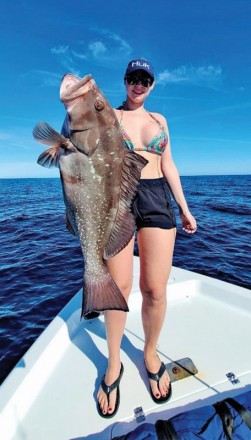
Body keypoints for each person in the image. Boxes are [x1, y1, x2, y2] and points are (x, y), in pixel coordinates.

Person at [97, 58, 197, 418]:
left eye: (145, 79)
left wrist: (184, 208)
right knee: (118, 288)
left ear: (152, 84)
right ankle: (113, 365)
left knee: (155, 288)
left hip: (156, 197)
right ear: (124, 81)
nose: (139, 84)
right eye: (133, 78)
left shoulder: (160, 122)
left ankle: (150, 353)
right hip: (118, 197)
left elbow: (168, 164)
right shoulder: (109, 115)